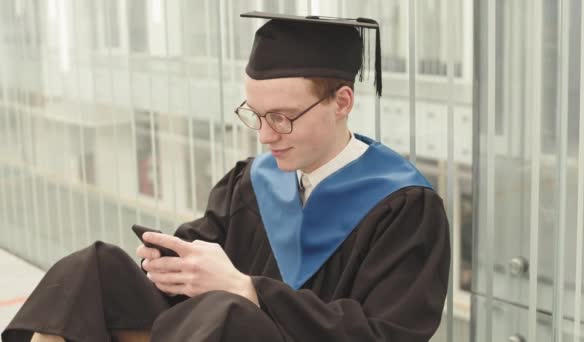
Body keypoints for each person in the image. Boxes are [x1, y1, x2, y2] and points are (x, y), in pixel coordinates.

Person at [2, 12, 450, 342]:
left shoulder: (403, 205)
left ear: (342, 102)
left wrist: (246, 289)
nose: (265, 135)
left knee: (225, 310)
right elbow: (206, 245)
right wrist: (172, 263)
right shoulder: (255, 180)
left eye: (283, 117)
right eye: (255, 115)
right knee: (92, 269)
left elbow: (386, 333)